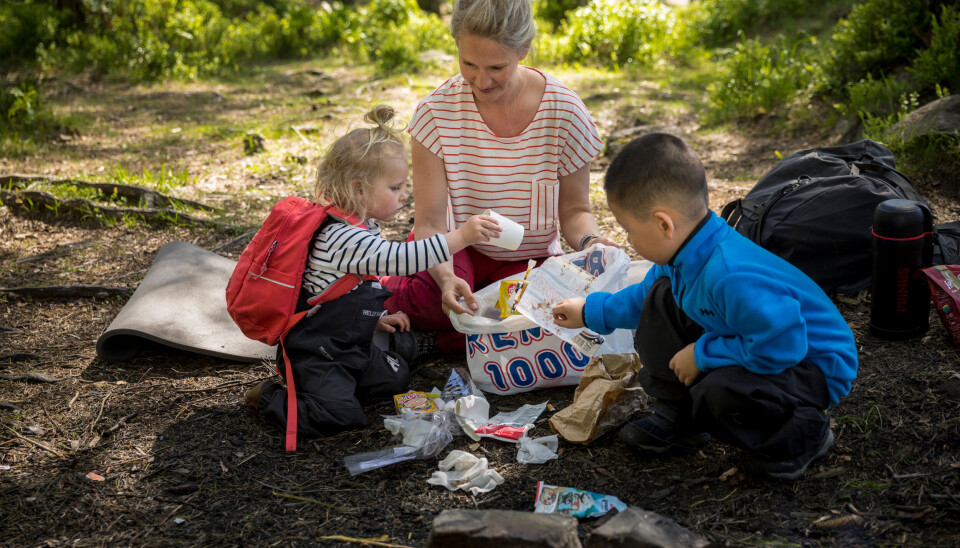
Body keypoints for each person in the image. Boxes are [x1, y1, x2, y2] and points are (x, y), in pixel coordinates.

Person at [552, 133, 858, 480]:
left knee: (721, 392)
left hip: (810, 364)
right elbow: (641, 300)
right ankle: (681, 415)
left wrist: (702, 353)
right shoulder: (684, 254)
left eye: (629, 231)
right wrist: (589, 311)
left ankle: (802, 434)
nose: (629, 241)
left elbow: (784, 345)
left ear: (663, 224)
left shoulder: (729, 274)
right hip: (761, 341)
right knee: (661, 298)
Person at [245, 105, 500, 438]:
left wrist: (374, 317)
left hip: (350, 343)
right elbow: (401, 259)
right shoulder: (341, 236)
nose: (404, 195)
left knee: (395, 377)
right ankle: (270, 396)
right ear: (359, 189)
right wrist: (461, 236)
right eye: (395, 188)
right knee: (338, 417)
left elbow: (346, 291)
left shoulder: (362, 226)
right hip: (318, 352)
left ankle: (339, 389)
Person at [381, 0, 617, 353]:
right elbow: (429, 223)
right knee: (442, 303)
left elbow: (574, 211)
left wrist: (590, 243)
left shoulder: (564, 111)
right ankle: (392, 289)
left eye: (496, 66)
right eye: (468, 64)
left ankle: (445, 339)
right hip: (454, 246)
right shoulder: (435, 113)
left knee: (542, 318)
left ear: (523, 50)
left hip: (526, 262)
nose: (481, 80)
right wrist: (446, 278)